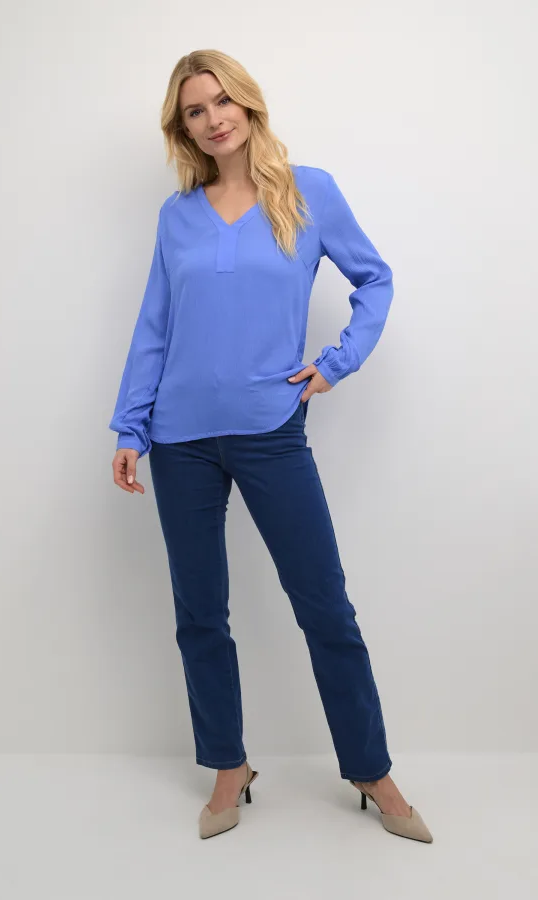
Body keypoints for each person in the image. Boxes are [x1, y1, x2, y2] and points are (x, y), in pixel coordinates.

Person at [109, 49, 433, 843]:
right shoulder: (177, 215)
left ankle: (371, 770)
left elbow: (375, 279)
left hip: (270, 431)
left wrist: (335, 362)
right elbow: (155, 325)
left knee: (325, 605)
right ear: (183, 127)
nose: (213, 118)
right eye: (195, 110)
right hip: (179, 438)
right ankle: (228, 766)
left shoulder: (307, 191)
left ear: (248, 104)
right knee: (199, 613)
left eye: (222, 101)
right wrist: (130, 426)